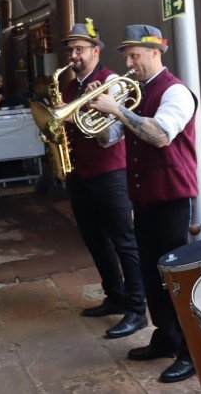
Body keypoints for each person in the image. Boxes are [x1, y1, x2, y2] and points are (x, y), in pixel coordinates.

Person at [89, 24, 198, 383]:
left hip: (172, 197)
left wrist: (118, 111)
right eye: (127, 57)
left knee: (175, 280)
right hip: (145, 197)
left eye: (135, 55)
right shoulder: (135, 94)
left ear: (156, 52)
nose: (130, 63)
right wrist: (102, 111)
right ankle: (165, 337)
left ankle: (190, 351)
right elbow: (108, 140)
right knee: (153, 277)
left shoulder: (176, 91)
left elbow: (161, 135)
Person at [60, 21, 146, 340]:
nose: (74, 55)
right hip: (80, 173)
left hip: (111, 173)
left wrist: (75, 118)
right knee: (94, 238)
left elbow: (112, 135)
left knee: (124, 240)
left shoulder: (110, 82)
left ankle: (137, 309)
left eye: (80, 49)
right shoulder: (69, 88)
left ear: (96, 51)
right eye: (70, 49)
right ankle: (115, 295)